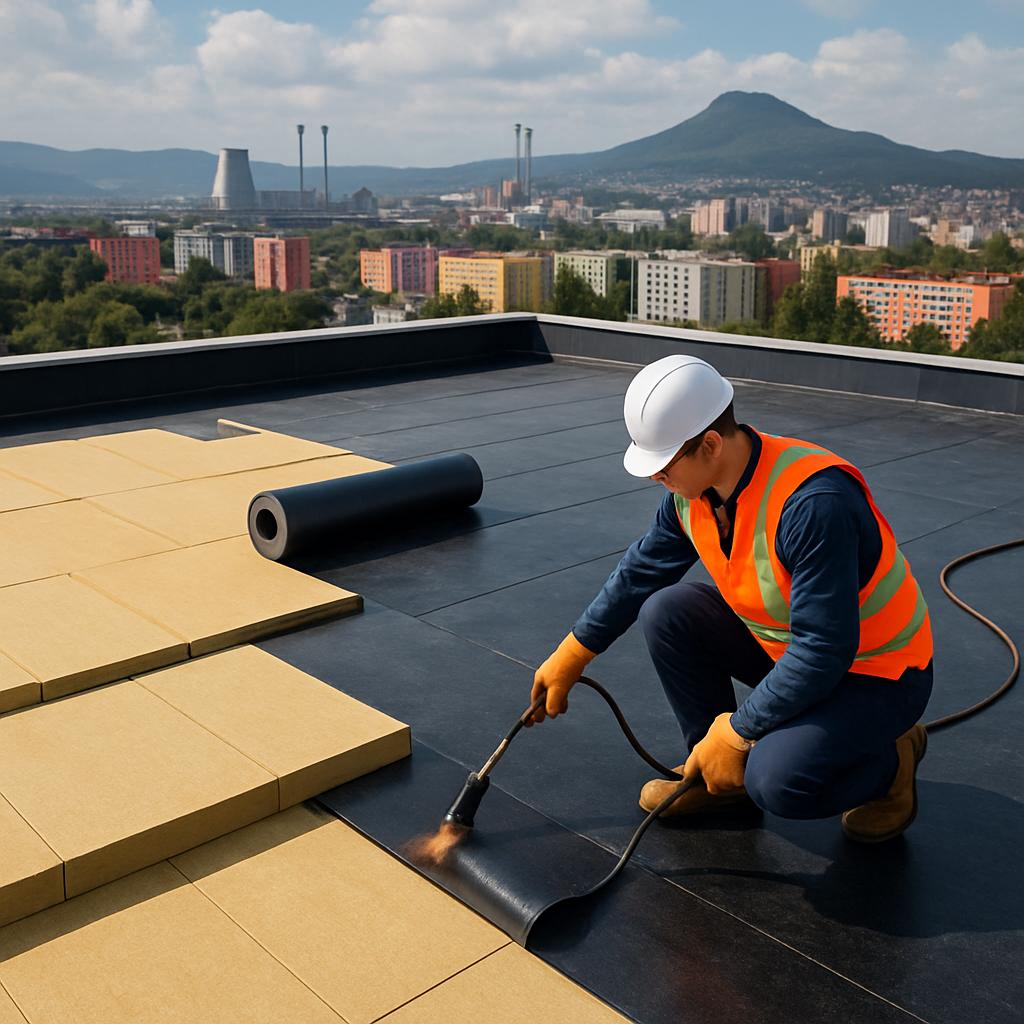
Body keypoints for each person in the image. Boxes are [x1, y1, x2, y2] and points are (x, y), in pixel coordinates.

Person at [529, 355, 934, 842]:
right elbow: (641, 572)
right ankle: (717, 782)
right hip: (794, 654)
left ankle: (892, 766)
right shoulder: (693, 493)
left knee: (778, 781)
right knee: (668, 610)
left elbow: (825, 650)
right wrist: (574, 651)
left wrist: (739, 731)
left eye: (664, 465)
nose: (656, 477)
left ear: (710, 444)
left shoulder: (814, 504)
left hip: (877, 675)